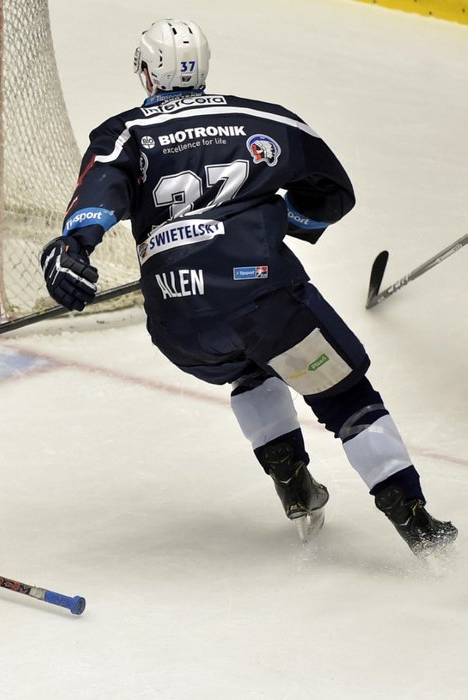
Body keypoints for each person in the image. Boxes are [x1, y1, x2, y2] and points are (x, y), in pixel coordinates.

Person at [39, 18, 456, 556]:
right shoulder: (260, 119)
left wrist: (75, 247)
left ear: (146, 73)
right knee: (346, 395)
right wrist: (286, 219)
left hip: (179, 326)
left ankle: (295, 484)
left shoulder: (126, 133)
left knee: (251, 368)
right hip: (267, 301)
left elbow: (100, 194)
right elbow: (334, 192)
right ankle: (416, 522)